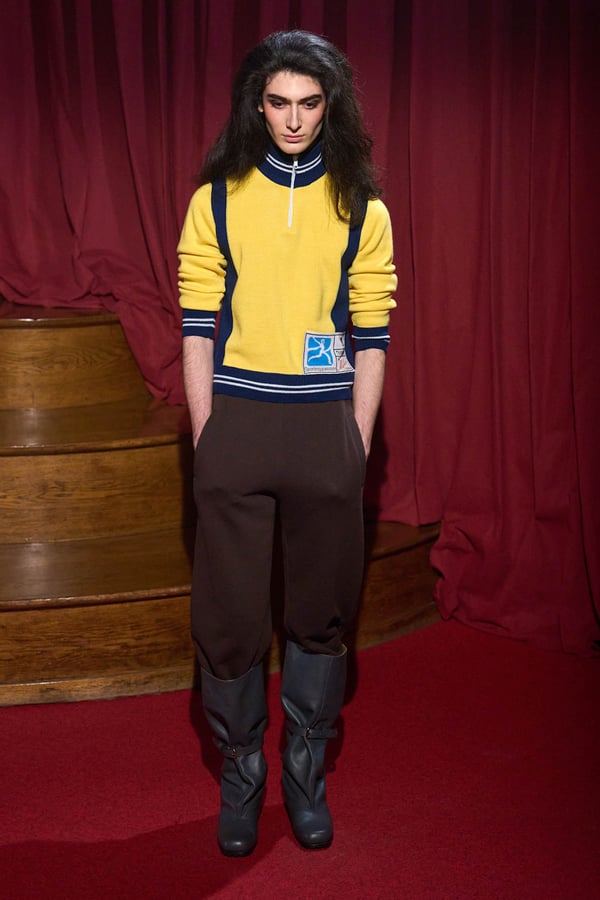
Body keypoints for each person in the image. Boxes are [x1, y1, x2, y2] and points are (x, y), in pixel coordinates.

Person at [177, 29, 396, 857]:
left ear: (330, 105)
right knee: (229, 620)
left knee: (320, 615)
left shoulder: (362, 207)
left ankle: (306, 771)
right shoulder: (217, 200)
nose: (294, 119)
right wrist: (207, 433)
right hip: (236, 423)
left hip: (324, 430)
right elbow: (197, 322)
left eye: (309, 103)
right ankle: (242, 774)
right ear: (256, 105)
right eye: (278, 102)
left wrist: (356, 440)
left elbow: (372, 331)